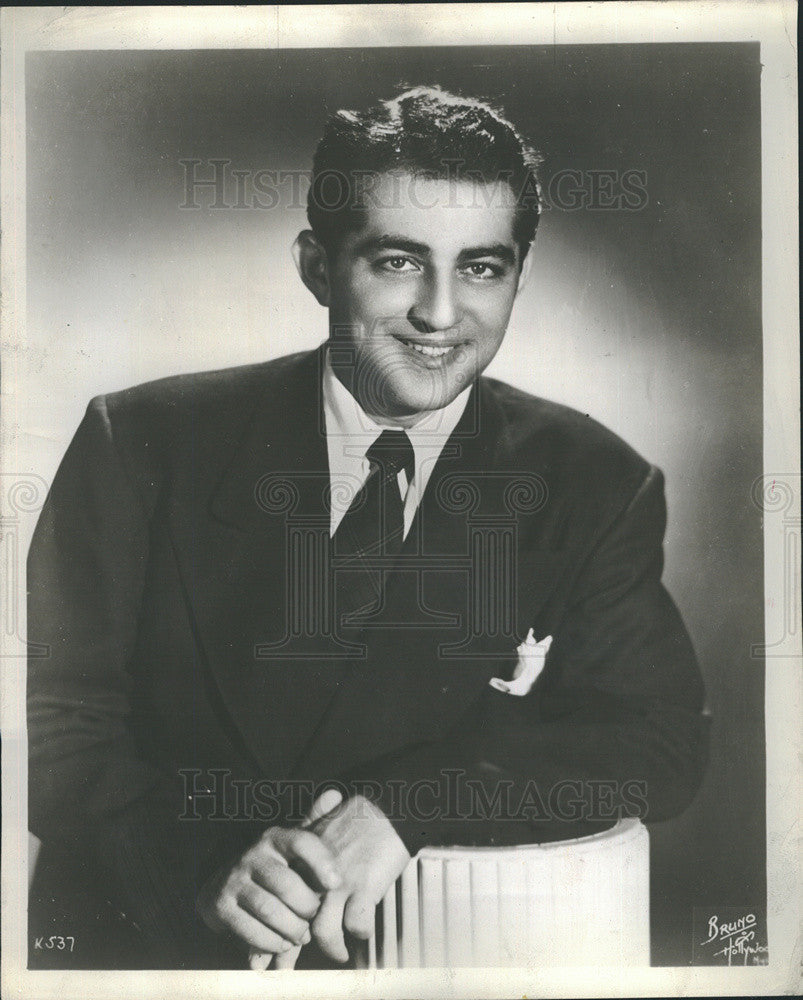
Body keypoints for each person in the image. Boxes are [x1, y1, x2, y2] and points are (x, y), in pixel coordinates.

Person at [27, 86, 710, 970]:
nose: (437, 313)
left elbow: (657, 741)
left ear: (519, 278)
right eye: (396, 261)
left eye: (480, 267)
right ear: (317, 265)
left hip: (420, 961)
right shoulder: (142, 441)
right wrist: (198, 862)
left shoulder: (593, 481)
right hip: (146, 946)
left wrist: (407, 804)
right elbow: (45, 719)